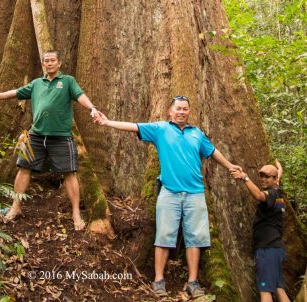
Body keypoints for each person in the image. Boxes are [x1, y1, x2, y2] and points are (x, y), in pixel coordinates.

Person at [94, 96, 240, 298]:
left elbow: (213, 152)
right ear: (170, 112)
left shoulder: (196, 134)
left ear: (189, 112)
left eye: (185, 109)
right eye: (178, 108)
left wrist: (230, 166)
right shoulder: (160, 129)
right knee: (164, 236)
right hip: (169, 192)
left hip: (195, 193)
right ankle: (159, 280)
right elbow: (134, 126)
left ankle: (193, 282)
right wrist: (107, 122)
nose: (181, 112)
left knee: (195, 239)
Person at [0, 50, 100, 230]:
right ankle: (16, 207)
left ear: (59, 63)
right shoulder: (37, 83)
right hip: (36, 135)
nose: (49, 63)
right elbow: (16, 92)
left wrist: (92, 108)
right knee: (23, 168)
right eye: (46, 61)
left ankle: (76, 212)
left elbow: (80, 96)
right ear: (43, 64)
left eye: (53, 60)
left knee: (69, 172)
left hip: (61, 136)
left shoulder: (67, 81)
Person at [231, 161, 290, 302]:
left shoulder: (271, 193)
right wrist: (279, 168)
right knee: (279, 289)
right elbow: (277, 177)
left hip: (267, 249)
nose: (263, 179)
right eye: (262, 176)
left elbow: (259, 196)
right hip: (276, 250)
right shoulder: (279, 192)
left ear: (274, 180)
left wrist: (245, 178)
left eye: (267, 177)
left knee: (265, 291)